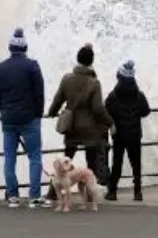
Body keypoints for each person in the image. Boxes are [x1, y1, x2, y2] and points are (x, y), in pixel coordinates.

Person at [47, 43, 114, 198]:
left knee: (64, 163)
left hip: (71, 127)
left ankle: (52, 194)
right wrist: (110, 122)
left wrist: (52, 112)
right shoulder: (94, 83)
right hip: (90, 129)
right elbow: (98, 108)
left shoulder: (67, 79)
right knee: (91, 163)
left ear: (77, 59)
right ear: (91, 61)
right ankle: (90, 195)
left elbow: (58, 100)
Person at [0, 27, 48, 209]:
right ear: (25, 48)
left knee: (9, 157)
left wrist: (3, 112)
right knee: (34, 156)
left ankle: (13, 196)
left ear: (10, 48)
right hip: (29, 118)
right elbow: (39, 93)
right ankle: (34, 196)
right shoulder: (32, 66)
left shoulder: (0, 68)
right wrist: (38, 114)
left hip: (8, 118)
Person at [103, 60, 151, 202]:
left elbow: (106, 112)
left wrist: (113, 122)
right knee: (136, 163)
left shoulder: (113, 96)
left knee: (117, 162)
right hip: (135, 133)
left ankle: (112, 192)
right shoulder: (139, 95)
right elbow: (145, 111)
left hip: (119, 134)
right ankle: (137, 192)